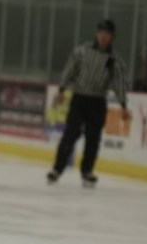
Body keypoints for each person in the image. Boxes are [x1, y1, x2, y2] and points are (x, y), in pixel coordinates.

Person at [48, 18, 130, 188]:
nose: (103, 37)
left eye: (107, 34)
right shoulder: (82, 51)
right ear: (96, 33)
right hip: (79, 98)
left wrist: (123, 105)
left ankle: (87, 171)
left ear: (113, 37)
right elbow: (70, 70)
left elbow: (118, 82)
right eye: (101, 33)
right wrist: (62, 89)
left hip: (97, 102)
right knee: (70, 134)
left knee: (93, 138)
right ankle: (57, 169)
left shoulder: (114, 59)